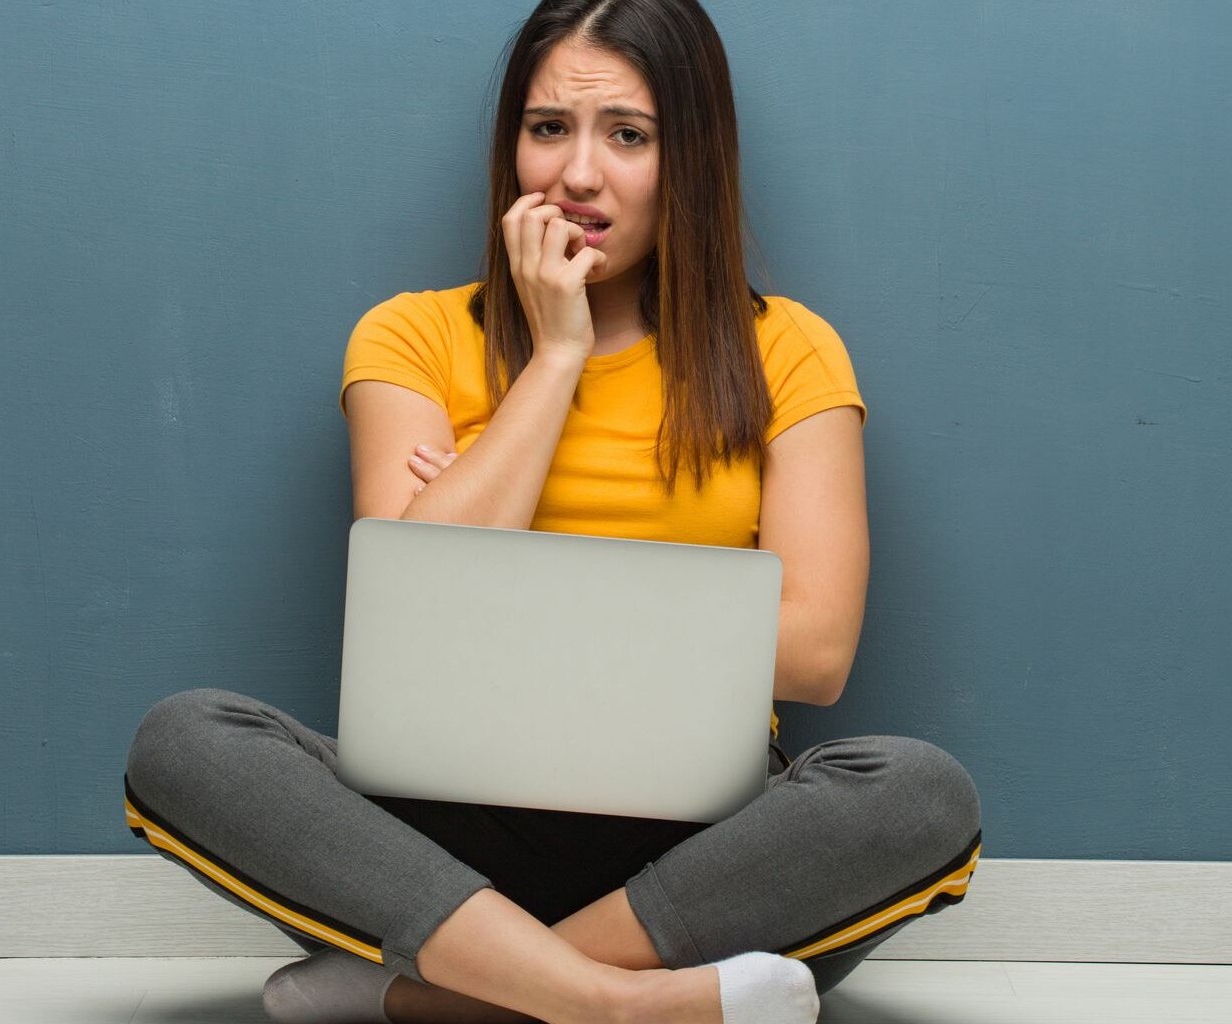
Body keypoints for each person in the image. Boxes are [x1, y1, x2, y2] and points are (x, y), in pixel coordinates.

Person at [121, 2, 982, 1022]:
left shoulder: (788, 351)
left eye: (628, 135)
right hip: (438, 845)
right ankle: (620, 1007)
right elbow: (415, 609)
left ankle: (447, 998)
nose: (576, 176)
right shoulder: (412, 337)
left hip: (692, 858)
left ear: (690, 157)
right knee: (183, 743)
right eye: (547, 129)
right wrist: (556, 357)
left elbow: (818, 650)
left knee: (921, 795)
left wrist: (502, 553)